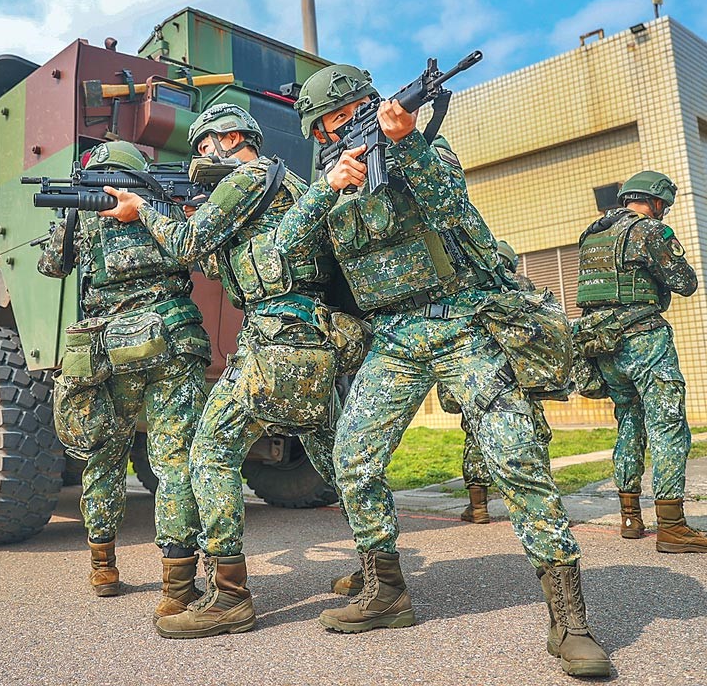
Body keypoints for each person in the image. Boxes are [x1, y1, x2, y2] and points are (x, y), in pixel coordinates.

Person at [279, 64, 610, 677]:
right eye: (325, 125)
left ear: (367, 107)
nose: (337, 130)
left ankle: (570, 621)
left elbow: (456, 209)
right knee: (350, 455)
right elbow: (285, 251)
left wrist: (406, 144)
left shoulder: (424, 150)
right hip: (394, 338)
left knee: (516, 456)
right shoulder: (323, 184)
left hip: (460, 323)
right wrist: (330, 187)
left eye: (345, 117)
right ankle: (387, 590)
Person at [100, 104, 342, 639]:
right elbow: (226, 261)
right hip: (316, 340)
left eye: (204, 146)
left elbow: (190, 248)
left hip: (274, 339)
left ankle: (230, 596)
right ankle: (381, 574)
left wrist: (143, 211)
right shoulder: (289, 183)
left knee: (209, 454)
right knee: (340, 460)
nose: (200, 158)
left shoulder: (248, 176)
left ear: (231, 137)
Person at [36, 141, 211, 621]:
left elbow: (52, 266)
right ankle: (178, 586)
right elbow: (200, 249)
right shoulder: (163, 205)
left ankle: (103, 566)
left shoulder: (85, 213)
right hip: (173, 339)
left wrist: (69, 219)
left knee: (105, 454)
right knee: (175, 462)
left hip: (108, 349)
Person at [576, 171, 705, 553]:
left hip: (604, 345)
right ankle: (673, 527)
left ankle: (630, 517)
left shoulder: (592, 234)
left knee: (629, 422)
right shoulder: (650, 231)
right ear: (658, 202)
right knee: (668, 427)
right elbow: (685, 282)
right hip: (644, 338)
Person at [437, 240, 554, 526]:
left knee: (476, 433)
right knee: (534, 433)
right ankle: (543, 506)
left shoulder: (469, 284)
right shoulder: (523, 285)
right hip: (519, 375)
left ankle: (478, 506)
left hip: (479, 373)